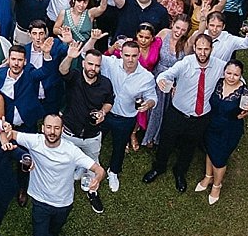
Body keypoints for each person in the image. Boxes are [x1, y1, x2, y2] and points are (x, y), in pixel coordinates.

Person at [7, 115, 105, 236]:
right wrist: (6, 140)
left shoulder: (71, 151)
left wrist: (98, 179)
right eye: (49, 127)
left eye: (56, 128)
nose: (52, 132)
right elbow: (9, 133)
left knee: (53, 231)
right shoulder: (34, 141)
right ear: (43, 128)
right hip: (40, 199)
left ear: (61, 130)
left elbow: (98, 169)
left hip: (63, 202)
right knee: (39, 235)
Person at [145, 32, 229, 193]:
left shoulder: (220, 66)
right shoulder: (186, 63)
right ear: (195, 48)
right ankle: (159, 167)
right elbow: (167, 74)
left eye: (206, 49)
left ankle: (180, 172)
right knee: (166, 142)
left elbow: (237, 76)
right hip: (177, 114)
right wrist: (161, 80)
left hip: (200, 117)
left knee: (189, 148)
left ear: (212, 49)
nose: (202, 53)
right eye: (199, 49)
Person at [95, 35, 158, 194]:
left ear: (139, 55)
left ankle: (113, 172)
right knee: (94, 141)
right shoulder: (110, 63)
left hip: (126, 118)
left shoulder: (146, 77)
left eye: (134, 56)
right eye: (127, 55)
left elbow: (153, 97)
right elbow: (87, 56)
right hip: (105, 113)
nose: (130, 59)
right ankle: (91, 167)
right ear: (121, 53)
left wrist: (148, 104)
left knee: (119, 147)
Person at [199, 59, 248, 206]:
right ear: (224, 72)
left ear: (241, 76)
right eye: (229, 73)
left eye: (235, 74)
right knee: (209, 150)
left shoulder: (245, 92)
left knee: (219, 159)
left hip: (229, 130)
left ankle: (217, 185)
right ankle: (208, 176)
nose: (231, 77)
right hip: (211, 125)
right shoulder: (218, 83)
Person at [56, 43, 115, 167]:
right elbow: (62, 70)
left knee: (92, 161)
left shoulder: (106, 83)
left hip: (92, 136)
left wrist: (103, 112)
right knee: (66, 161)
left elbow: (109, 102)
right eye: (90, 64)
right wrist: (70, 57)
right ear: (83, 63)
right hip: (69, 133)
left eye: (97, 66)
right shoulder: (74, 76)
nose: (93, 68)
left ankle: (88, 174)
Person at [141, 14, 193, 149]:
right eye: (177, 27)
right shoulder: (164, 33)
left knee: (166, 110)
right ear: (172, 24)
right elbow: (149, 46)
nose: (179, 32)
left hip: (173, 81)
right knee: (154, 107)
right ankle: (148, 135)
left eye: (183, 30)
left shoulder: (186, 44)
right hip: (157, 75)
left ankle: (158, 137)